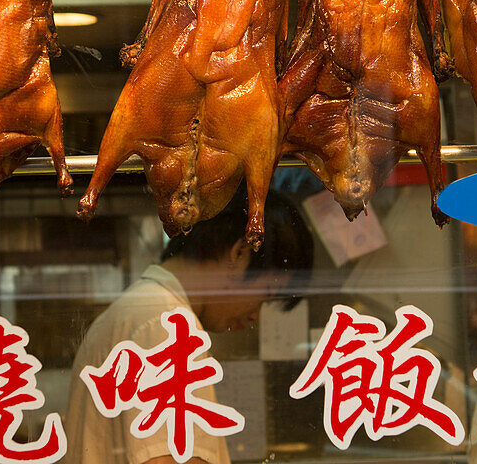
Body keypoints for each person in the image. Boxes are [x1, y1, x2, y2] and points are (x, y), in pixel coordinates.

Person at [63, 189, 314, 464]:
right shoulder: (165, 324)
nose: (256, 316)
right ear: (240, 252)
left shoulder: (146, 310)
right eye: (265, 295)